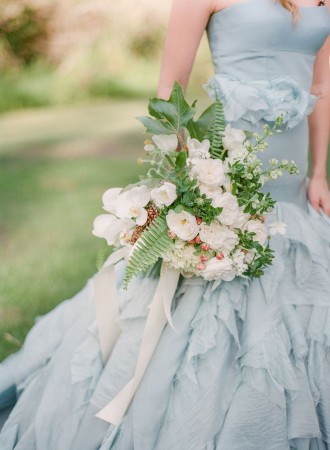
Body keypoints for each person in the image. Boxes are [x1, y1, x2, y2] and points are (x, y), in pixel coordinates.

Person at [0, 0, 330, 448]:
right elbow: (169, 90)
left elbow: (320, 84)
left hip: (293, 193)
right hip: (227, 182)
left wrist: (318, 173)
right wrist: (190, 184)